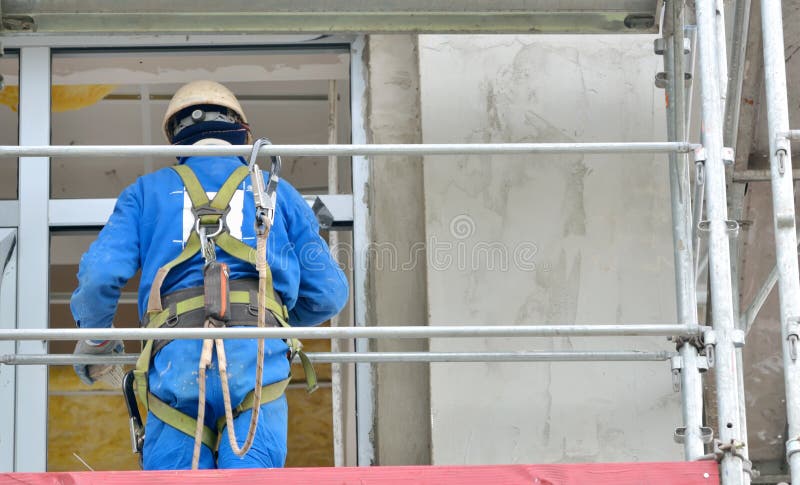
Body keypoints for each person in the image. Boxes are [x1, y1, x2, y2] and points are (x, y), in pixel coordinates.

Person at [70, 80, 349, 470]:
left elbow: (101, 276)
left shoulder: (146, 192)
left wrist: (96, 340)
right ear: (242, 133)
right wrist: (272, 317)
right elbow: (330, 293)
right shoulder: (276, 193)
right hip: (256, 361)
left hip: (176, 363)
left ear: (177, 139)